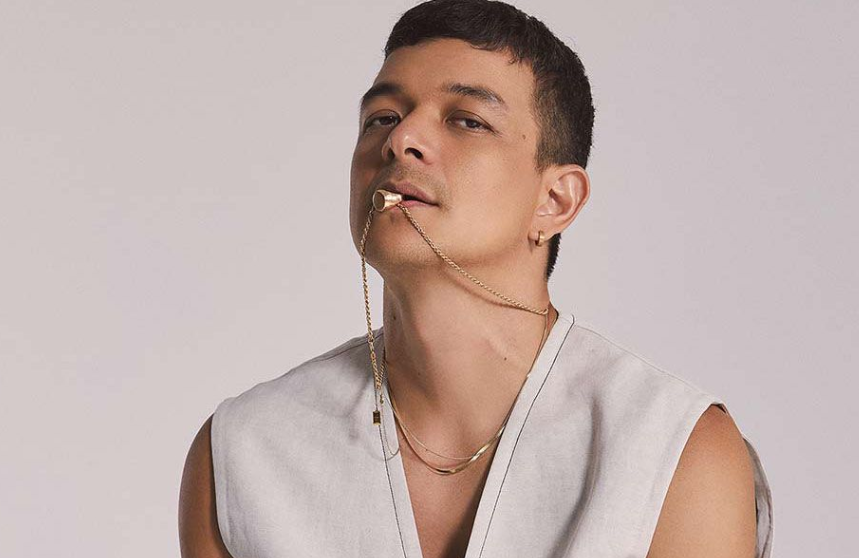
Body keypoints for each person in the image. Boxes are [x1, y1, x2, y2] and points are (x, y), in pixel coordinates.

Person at [179, 1, 773, 557]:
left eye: (467, 121)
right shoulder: (242, 454)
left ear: (555, 201)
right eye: (382, 118)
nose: (401, 139)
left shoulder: (673, 451)